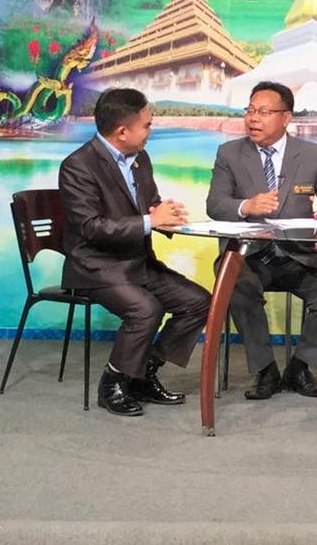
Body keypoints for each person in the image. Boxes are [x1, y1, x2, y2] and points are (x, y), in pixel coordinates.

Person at [59, 88, 210, 417]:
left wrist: (164, 215)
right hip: (95, 267)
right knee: (146, 310)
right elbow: (91, 227)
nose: (150, 130)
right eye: (147, 125)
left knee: (198, 302)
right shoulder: (78, 166)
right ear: (122, 131)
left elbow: (148, 205)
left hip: (137, 263)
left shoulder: (141, 158)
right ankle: (112, 383)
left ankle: (142, 374)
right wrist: (149, 221)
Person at [206, 81, 317, 400]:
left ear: (286, 117)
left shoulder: (311, 155)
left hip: (296, 256)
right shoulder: (230, 153)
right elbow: (215, 205)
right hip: (249, 256)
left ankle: (300, 367)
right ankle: (265, 370)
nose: (253, 118)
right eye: (250, 110)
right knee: (237, 284)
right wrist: (246, 206)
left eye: (264, 112)